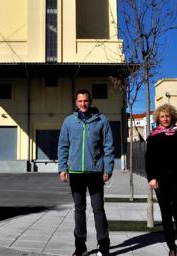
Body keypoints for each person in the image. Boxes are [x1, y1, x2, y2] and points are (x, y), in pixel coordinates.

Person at [58, 89, 114, 256]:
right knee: (79, 209)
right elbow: (63, 146)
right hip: (75, 172)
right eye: (80, 101)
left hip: (96, 172)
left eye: (86, 101)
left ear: (90, 101)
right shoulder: (69, 121)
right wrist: (62, 167)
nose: (83, 104)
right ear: (76, 103)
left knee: (98, 209)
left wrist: (108, 167)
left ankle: (103, 247)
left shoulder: (101, 120)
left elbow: (108, 146)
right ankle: (80, 247)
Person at [145, 103, 177, 256]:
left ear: (172, 116)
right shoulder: (153, 136)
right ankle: (171, 247)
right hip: (160, 180)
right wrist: (151, 178)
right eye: (162, 116)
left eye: (167, 116)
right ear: (158, 119)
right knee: (165, 213)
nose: (165, 119)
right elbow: (149, 160)